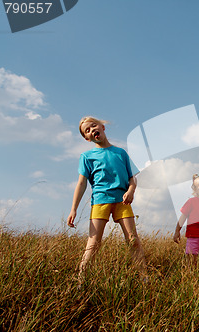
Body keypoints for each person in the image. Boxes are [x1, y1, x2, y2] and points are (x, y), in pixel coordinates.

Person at [67, 116, 145, 282]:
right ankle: (81, 279)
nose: (92, 130)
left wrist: (131, 190)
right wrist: (73, 208)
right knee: (94, 243)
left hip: (122, 202)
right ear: (87, 138)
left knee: (133, 241)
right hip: (100, 201)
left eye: (94, 126)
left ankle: (144, 278)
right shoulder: (87, 156)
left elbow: (133, 178)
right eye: (87, 130)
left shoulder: (121, 153)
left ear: (103, 127)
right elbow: (81, 184)